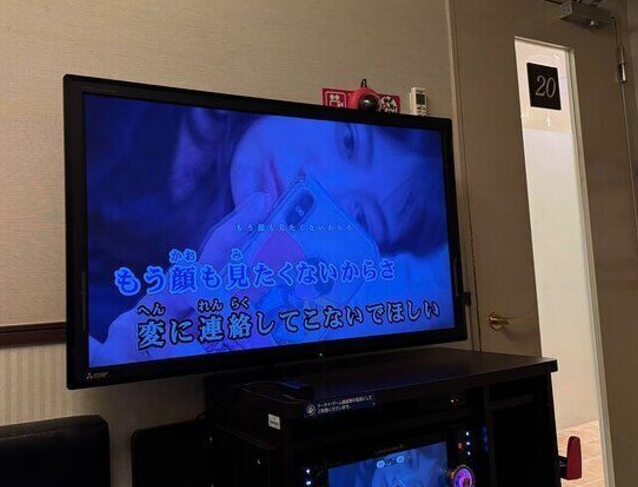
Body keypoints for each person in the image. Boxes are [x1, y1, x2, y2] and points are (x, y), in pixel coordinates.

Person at [84, 96, 453, 367]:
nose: (319, 181)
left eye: (361, 217)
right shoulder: (113, 114)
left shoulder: (246, 304)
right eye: (349, 141)